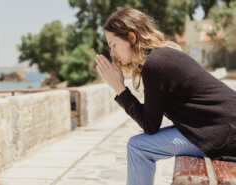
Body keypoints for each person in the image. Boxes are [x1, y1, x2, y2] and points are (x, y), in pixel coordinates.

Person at [94, 7, 236, 185]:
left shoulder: (154, 65)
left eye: (113, 44)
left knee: (138, 147)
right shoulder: (162, 57)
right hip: (222, 129)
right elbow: (152, 119)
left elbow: (150, 126)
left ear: (131, 37)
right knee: (141, 143)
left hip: (221, 134)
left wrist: (119, 89)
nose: (112, 54)